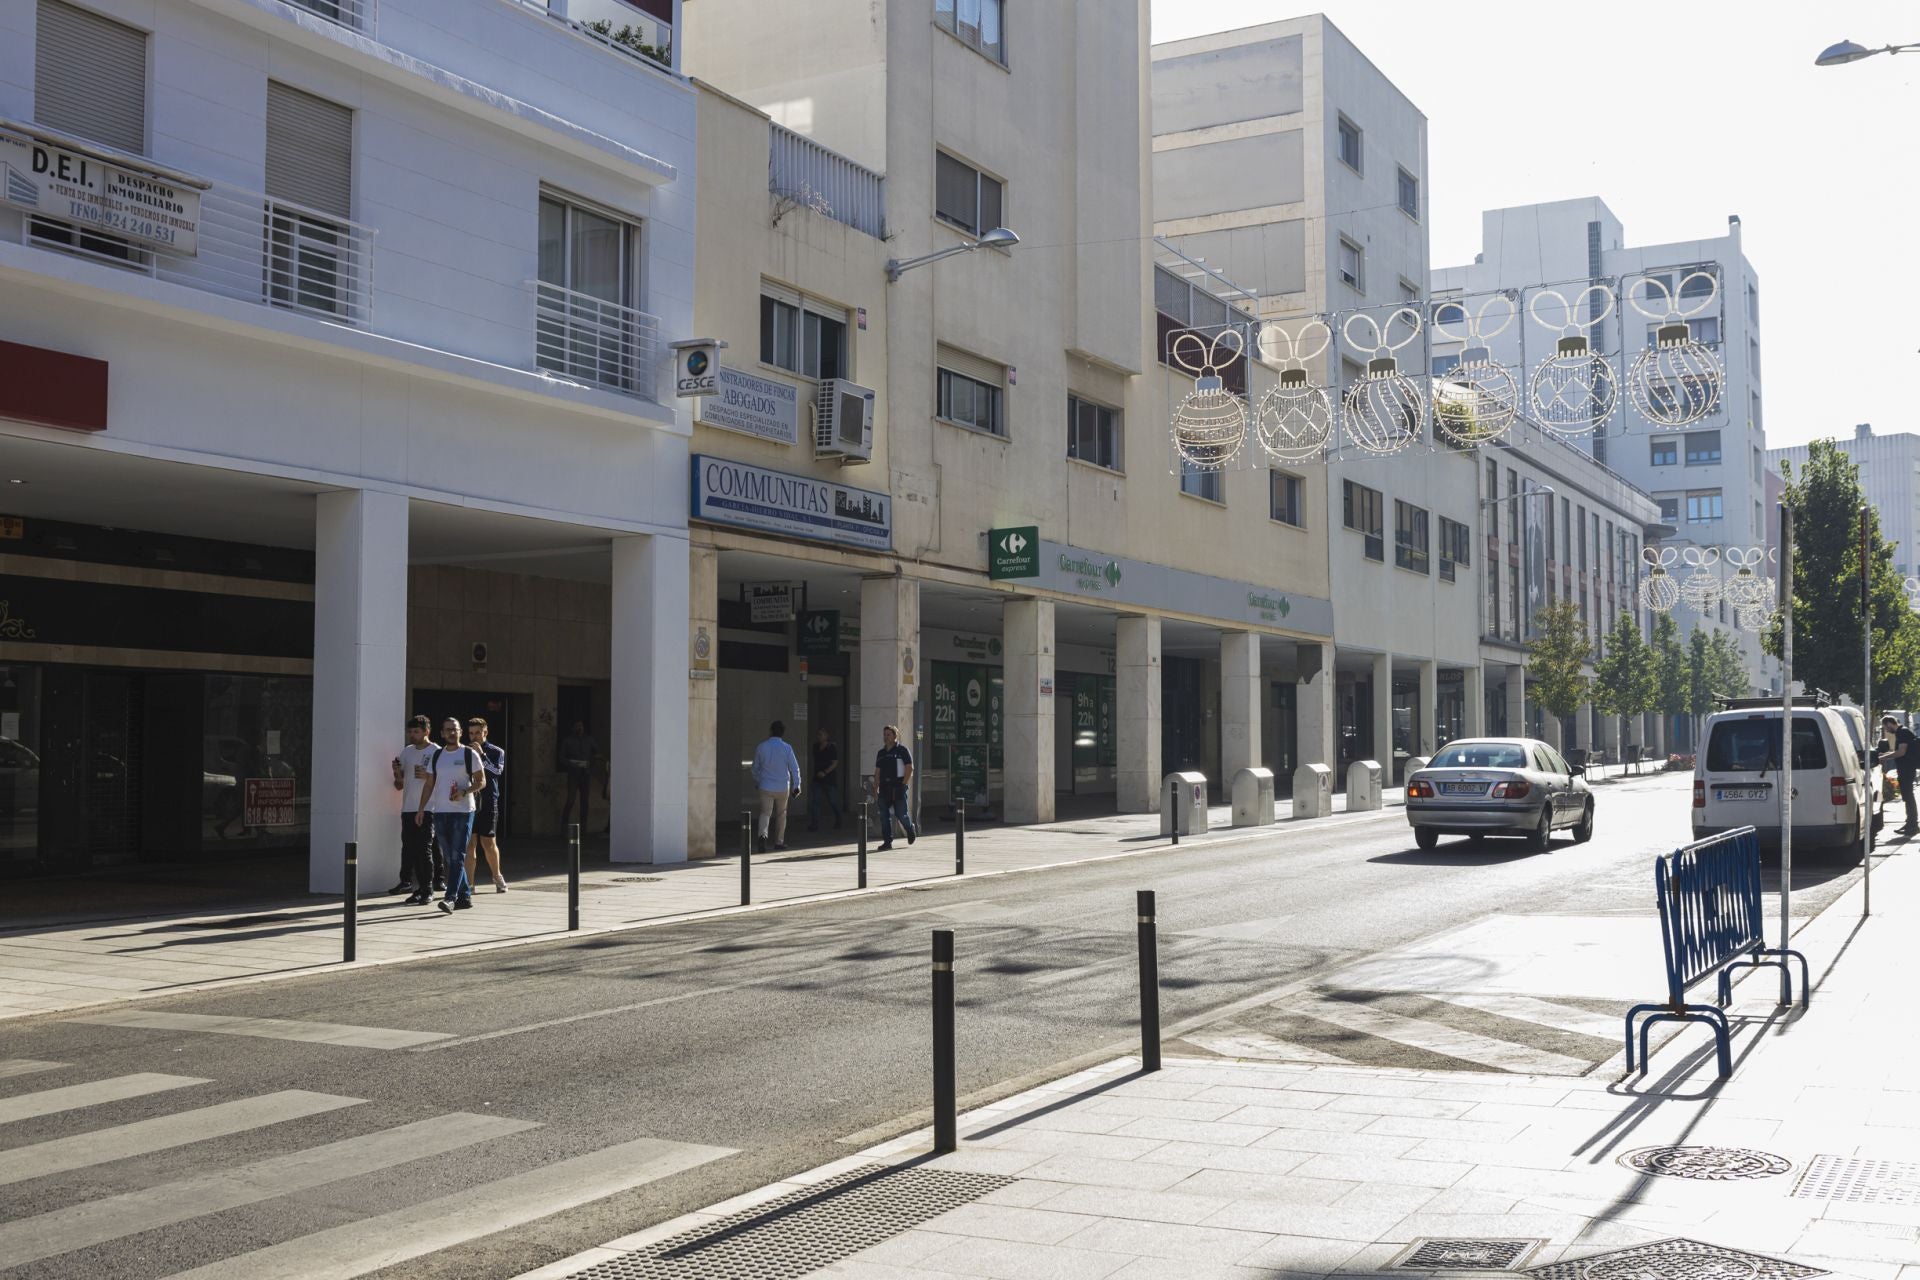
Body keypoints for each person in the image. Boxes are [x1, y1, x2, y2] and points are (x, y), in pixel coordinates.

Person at [417, 717, 486, 912]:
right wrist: (422, 808)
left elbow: (482, 781)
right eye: (448, 730)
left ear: (460, 732)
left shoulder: (469, 754)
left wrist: (464, 791)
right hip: (440, 812)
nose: (451, 733)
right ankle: (465, 896)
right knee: (449, 857)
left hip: (463, 812)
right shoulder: (437, 756)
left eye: (455, 729)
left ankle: (450, 898)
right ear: (442, 733)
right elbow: (429, 784)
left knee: (457, 856)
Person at [390, 715, 440, 902]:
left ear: (427, 731)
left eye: (416, 732)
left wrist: (428, 777)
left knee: (424, 849)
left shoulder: (436, 751)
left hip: (428, 808)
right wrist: (397, 773)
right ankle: (410, 884)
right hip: (408, 807)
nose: (412, 735)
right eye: (410, 732)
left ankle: (427, 889)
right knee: (409, 848)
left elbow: (442, 781)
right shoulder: (407, 752)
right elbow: (399, 785)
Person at [466, 717, 508, 893]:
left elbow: (496, 772)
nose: (474, 737)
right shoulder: (463, 751)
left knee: (488, 842)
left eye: (477, 733)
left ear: (485, 732)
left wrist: (481, 755)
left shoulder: (496, 751)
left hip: (489, 801)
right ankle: (469, 884)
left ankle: (497, 876)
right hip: (468, 802)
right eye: (471, 733)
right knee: (469, 844)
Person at [750, 720, 803, 851]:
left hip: (765, 785)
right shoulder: (787, 748)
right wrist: (797, 786)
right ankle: (779, 842)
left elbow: (755, 767)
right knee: (781, 814)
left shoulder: (762, 746)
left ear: (771, 731)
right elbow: (795, 768)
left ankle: (762, 836)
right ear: (782, 733)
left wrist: (758, 781)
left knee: (765, 813)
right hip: (782, 786)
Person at [871, 724, 916, 851]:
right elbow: (877, 772)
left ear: (895, 736)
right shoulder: (881, 753)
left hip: (898, 786)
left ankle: (909, 828)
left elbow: (909, 768)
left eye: (888, 735)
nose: (886, 737)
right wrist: (875, 788)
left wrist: (903, 784)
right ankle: (887, 842)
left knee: (901, 814)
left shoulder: (902, 750)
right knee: (884, 816)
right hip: (884, 788)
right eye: (884, 735)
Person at [559, 720, 597, 834]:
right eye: (577, 726)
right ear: (573, 728)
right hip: (573, 774)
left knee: (584, 802)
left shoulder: (589, 740)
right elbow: (561, 757)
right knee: (570, 800)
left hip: (586, 774)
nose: (580, 728)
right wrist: (571, 763)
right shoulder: (568, 741)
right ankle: (564, 827)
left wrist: (591, 763)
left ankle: (584, 828)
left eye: (581, 726)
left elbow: (596, 753)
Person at [1883, 714, 1917, 834]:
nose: (1886, 730)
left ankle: (1912, 825)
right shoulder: (1902, 732)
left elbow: (1901, 752)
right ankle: (1910, 823)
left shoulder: (1902, 732)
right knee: (1907, 796)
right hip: (1905, 768)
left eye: (1886, 727)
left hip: (1907, 768)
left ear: (1889, 723)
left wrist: (1885, 757)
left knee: (1908, 796)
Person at [808, 728, 842, 832]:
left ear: (827, 736)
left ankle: (839, 818)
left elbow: (835, 763)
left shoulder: (831, 747)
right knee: (815, 801)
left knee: (833, 801)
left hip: (829, 779)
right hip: (817, 778)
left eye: (822, 734)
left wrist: (825, 772)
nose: (819, 736)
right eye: (818, 734)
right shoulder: (815, 746)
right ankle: (815, 824)